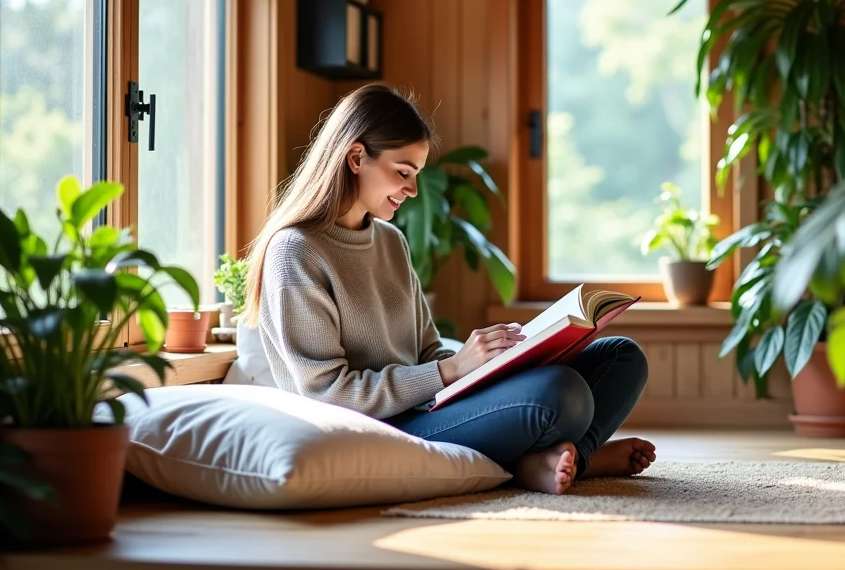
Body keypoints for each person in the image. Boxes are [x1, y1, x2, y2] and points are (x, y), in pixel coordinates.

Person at [235, 83, 655, 494]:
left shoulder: (389, 241)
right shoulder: (295, 252)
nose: (413, 190)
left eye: (416, 174)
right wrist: (450, 370)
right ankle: (565, 460)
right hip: (385, 426)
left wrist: (498, 360)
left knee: (621, 357)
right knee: (563, 393)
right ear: (356, 157)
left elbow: (428, 351)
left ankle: (566, 460)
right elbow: (329, 393)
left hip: (431, 408)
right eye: (403, 172)